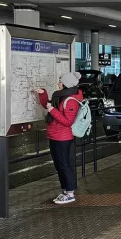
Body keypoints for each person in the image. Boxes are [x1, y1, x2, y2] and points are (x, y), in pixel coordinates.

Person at [35, 71, 83, 205]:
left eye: (60, 81)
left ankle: (69, 193)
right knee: (60, 164)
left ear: (66, 84)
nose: (58, 83)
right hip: (56, 135)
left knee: (63, 165)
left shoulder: (70, 100)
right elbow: (48, 105)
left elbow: (68, 121)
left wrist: (52, 110)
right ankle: (66, 191)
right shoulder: (60, 96)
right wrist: (42, 93)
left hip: (63, 137)